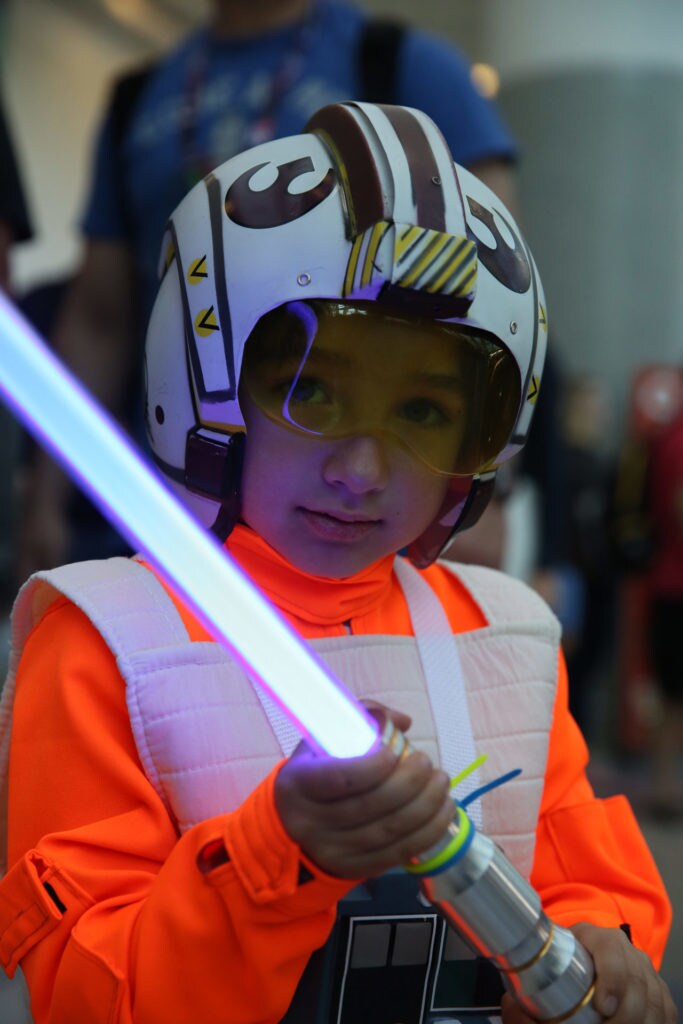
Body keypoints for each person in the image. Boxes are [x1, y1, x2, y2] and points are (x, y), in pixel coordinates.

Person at [0, 103, 674, 1024]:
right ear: (206, 376)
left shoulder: (505, 638)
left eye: (424, 413)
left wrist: (604, 951)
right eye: (310, 389)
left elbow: (591, 885)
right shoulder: (105, 644)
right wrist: (278, 856)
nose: (360, 471)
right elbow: (85, 993)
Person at [17, 0, 518, 584]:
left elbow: (498, 296)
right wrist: (47, 494)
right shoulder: (140, 94)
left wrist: (485, 490)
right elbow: (101, 318)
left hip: (359, 524)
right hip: (160, 501)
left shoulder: (409, 66)